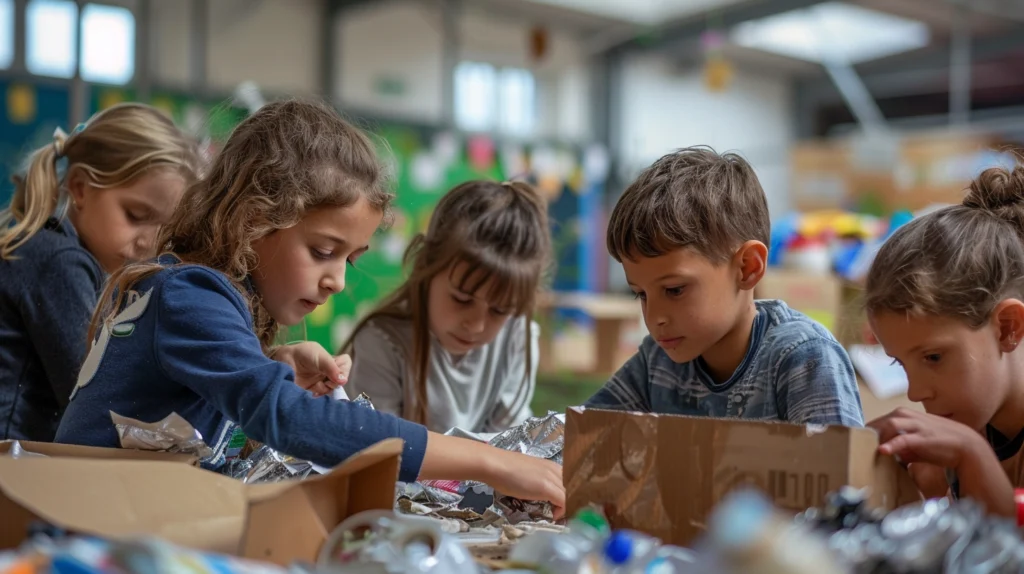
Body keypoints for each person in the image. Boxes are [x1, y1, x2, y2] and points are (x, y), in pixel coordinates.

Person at [55, 100, 563, 510]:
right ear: (254, 219)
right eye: (323, 251)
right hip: (81, 525)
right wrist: (491, 461)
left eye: (350, 258)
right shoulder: (190, 295)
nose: (338, 281)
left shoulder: (188, 293)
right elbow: (291, 420)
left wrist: (268, 363)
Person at [585, 147, 863, 427]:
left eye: (674, 290)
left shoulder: (804, 358)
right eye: (641, 294)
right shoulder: (657, 364)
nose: (654, 317)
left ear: (748, 267)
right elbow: (580, 435)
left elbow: (840, 467)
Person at [0, 103, 200, 441]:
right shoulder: (58, 262)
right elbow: (96, 399)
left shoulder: (65, 254)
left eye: (165, 228)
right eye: (136, 215)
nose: (148, 243)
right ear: (80, 188)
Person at [866, 164, 1024, 519]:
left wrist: (973, 457)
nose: (915, 392)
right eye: (900, 363)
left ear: (1008, 328)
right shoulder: (971, 424)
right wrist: (929, 498)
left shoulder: (969, 442)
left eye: (933, 357)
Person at [341, 180, 550, 433]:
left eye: (500, 310)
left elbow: (510, 441)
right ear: (426, 267)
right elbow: (380, 452)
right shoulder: (381, 344)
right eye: (462, 299)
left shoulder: (518, 336)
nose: (476, 324)